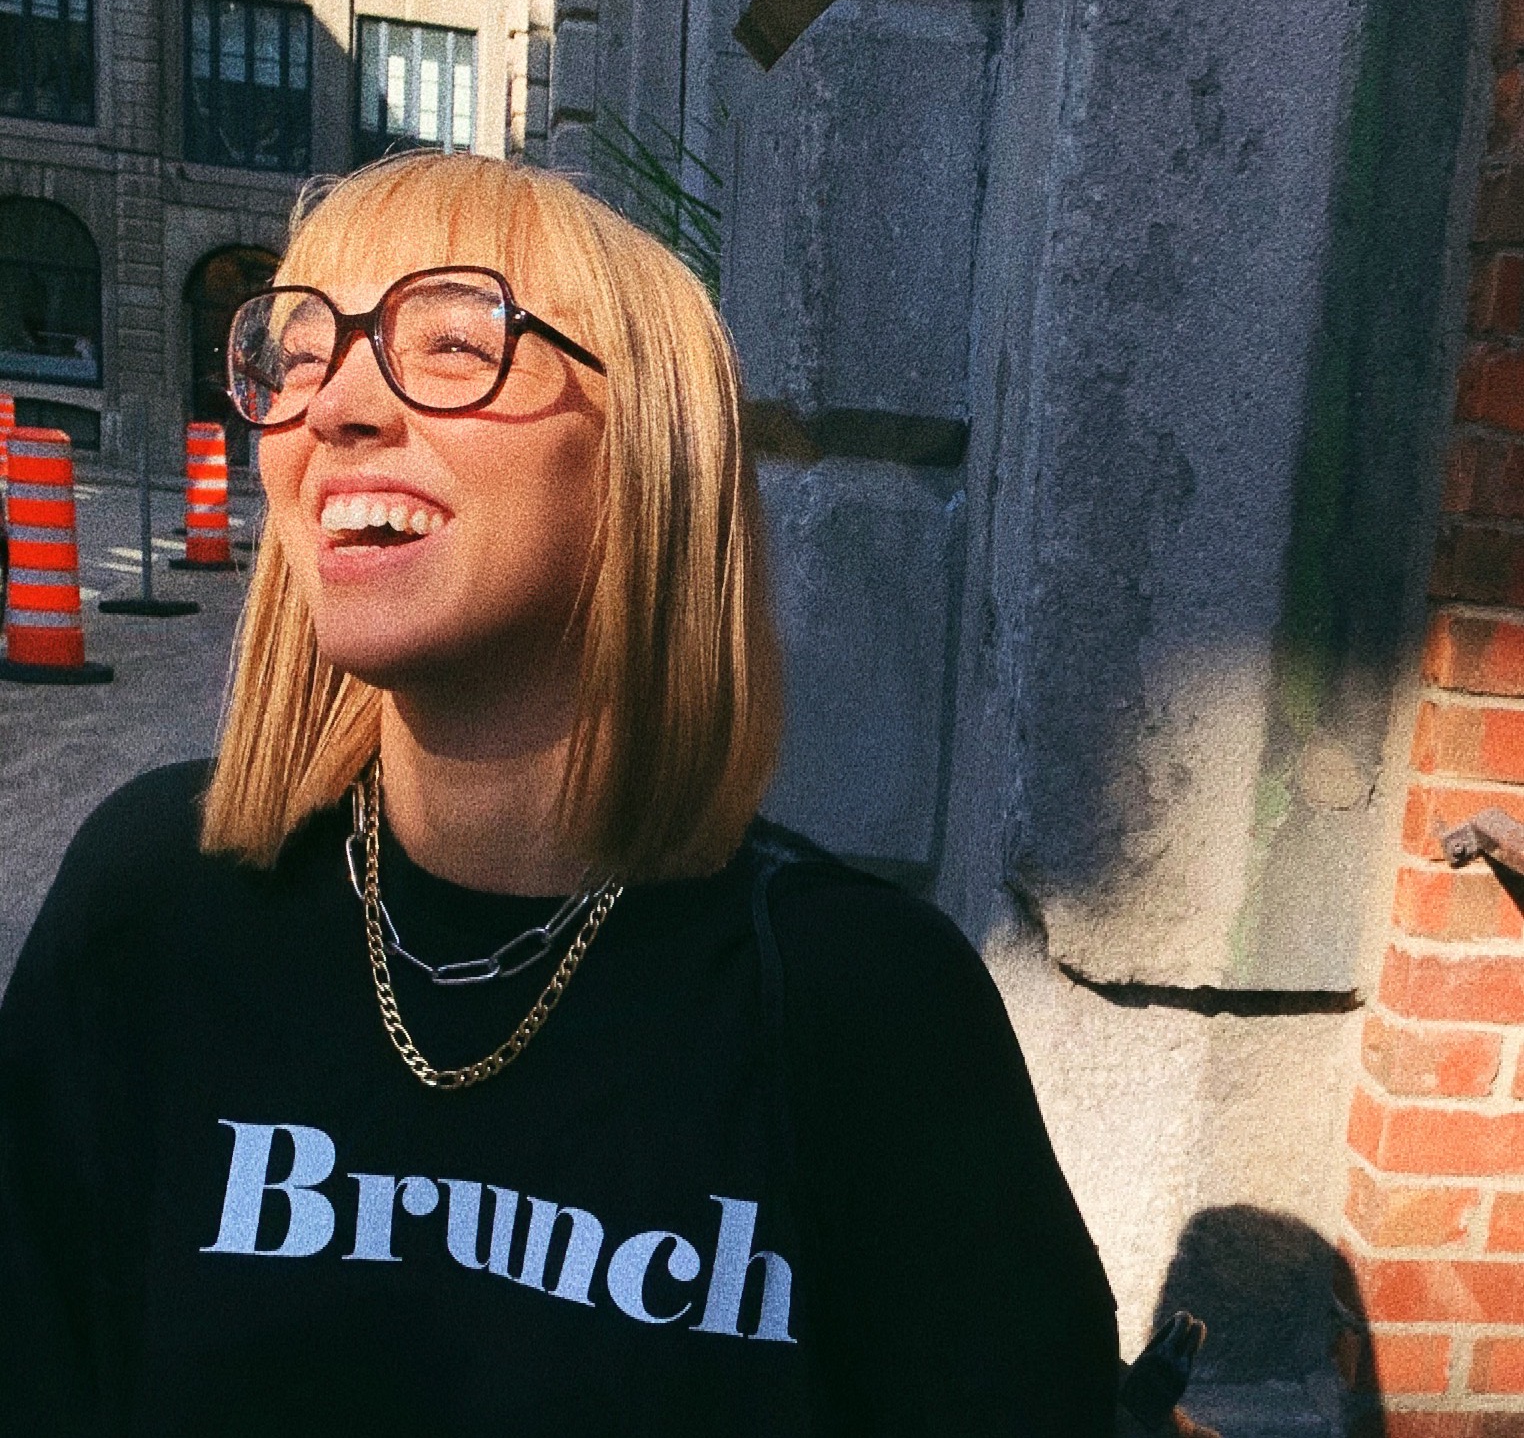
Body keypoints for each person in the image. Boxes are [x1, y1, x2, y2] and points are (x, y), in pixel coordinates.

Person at [0, 152, 1119, 1435]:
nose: (338, 406)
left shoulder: (859, 1006)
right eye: (298, 351)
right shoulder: (153, 903)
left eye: (455, 340)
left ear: (649, 455)